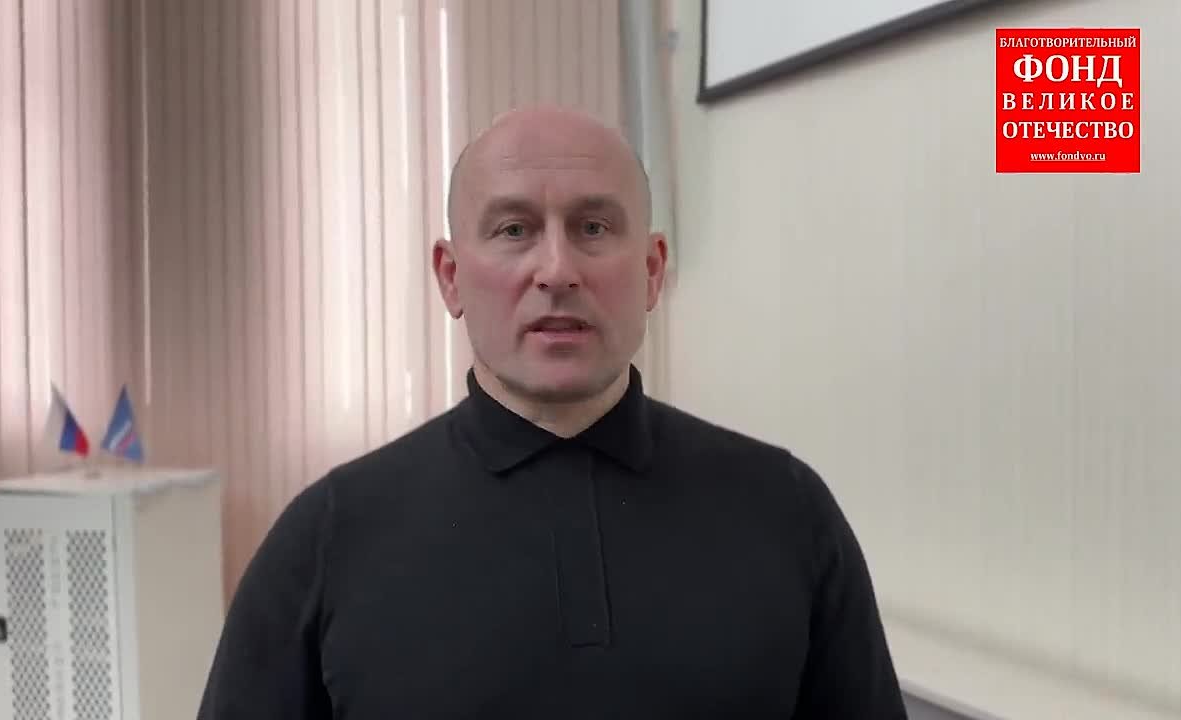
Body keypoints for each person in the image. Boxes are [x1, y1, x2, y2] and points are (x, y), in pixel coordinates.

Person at [196, 105, 907, 719]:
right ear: (451, 276)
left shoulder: (786, 510)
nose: (558, 270)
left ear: (652, 269)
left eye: (593, 227)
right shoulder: (326, 538)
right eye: (514, 230)